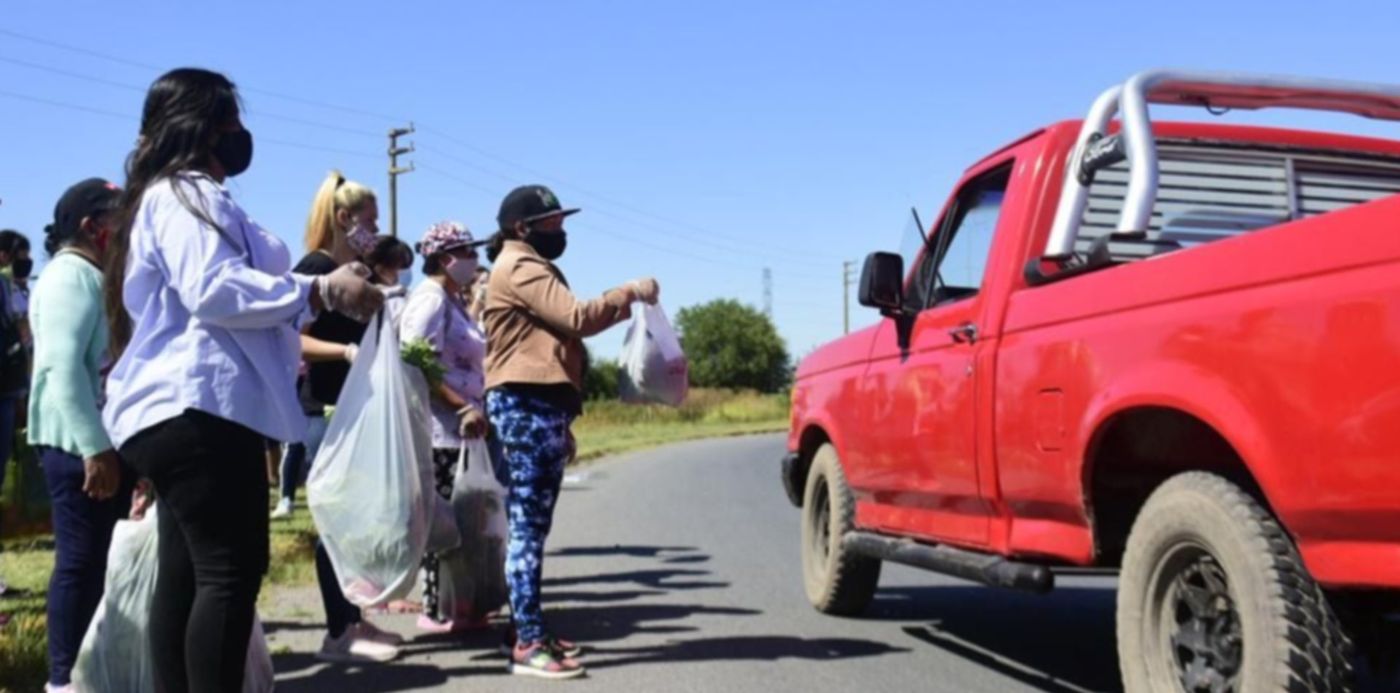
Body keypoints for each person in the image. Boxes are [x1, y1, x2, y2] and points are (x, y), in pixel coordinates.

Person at [102, 68, 383, 693]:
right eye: (229, 119)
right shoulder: (184, 194)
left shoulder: (178, 196)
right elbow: (213, 288)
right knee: (229, 572)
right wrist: (317, 290)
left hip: (187, 410)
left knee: (189, 576)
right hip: (200, 407)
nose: (239, 132)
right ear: (200, 128)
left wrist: (315, 290)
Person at [482, 185, 658, 679]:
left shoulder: (522, 264)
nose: (561, 231)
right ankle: (528, 642)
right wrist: (629, 292)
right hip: (526, 403)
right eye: (553, 222)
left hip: (537, 404)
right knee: (528, 528)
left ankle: (526, 627)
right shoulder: (520, 266)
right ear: (522, 227)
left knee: (530, 525)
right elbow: (576, 318)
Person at [281, 170, 404, 664]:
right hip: (324, 409)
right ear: (343, 218)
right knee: (336, 522)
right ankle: (337, 633)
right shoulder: (316, 270)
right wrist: (346, 352)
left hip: (356, 409)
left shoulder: (356, 272)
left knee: (358, 520)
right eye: (369, 221)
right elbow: (292, 337)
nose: (374, 231)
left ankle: (353, 618)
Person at [28, 179, 131, 693]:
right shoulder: (69, 276)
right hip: (77, 447)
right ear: (93, 227)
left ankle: (92, 671)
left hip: (100, 443)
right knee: (80, 562)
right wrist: (95, 447)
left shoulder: (94, 275)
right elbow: (63, 368)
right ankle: (64, 680)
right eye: (119, 219)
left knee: (98, 563)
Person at [400, 221, 491, 633]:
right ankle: (436, 608)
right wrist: (461, 406)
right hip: (441, 430)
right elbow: (417, 361)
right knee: (444, 525)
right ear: (444, 258)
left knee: (465, 522)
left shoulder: (452, 300)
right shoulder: (430, 299)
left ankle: (460, 603)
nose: (474, 258)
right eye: (466, 251)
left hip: (462, 431)